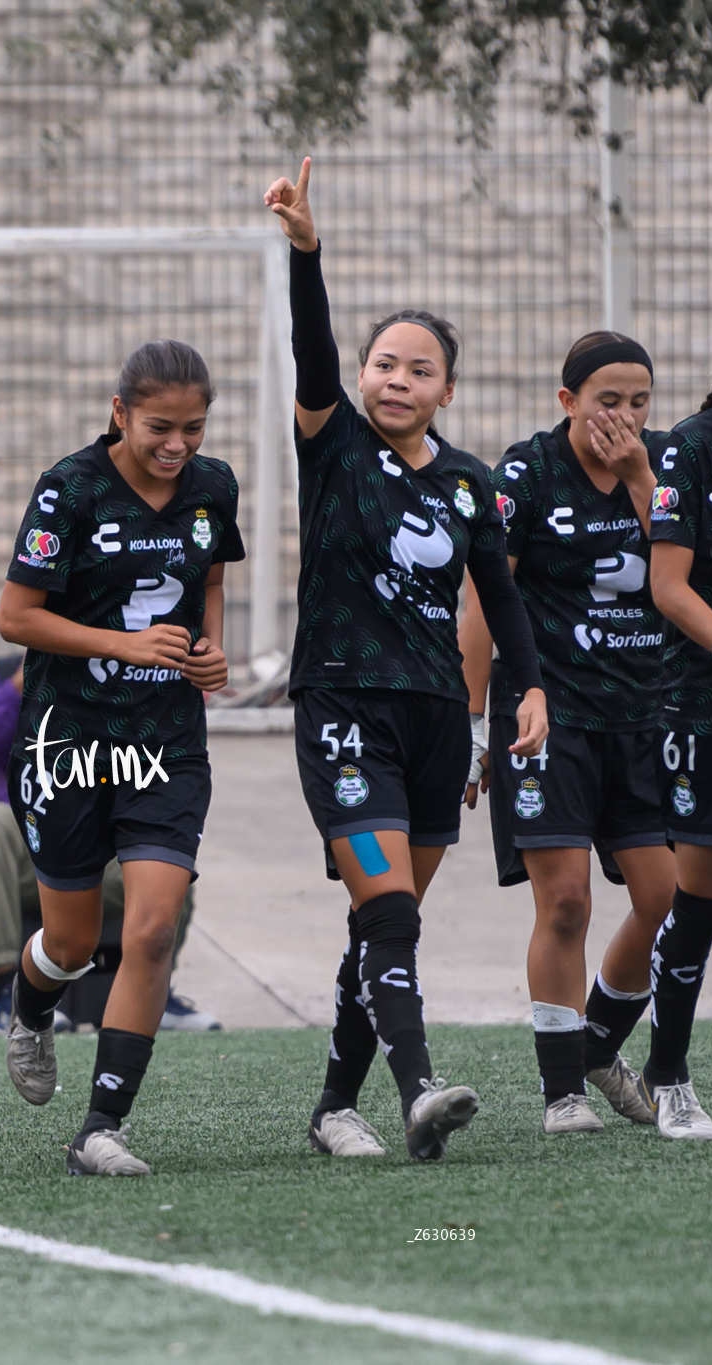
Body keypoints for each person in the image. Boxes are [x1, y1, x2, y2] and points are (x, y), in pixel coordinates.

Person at [265, 159, 547, 1163]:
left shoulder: (472, 486)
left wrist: (525, 696)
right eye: (383, 362)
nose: (393, 379)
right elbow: (310, 356)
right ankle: (417, 1088)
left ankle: (334, 1108)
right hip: (341, 708)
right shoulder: (332, 442)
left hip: (436, 721)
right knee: (384, 904)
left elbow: (501, 598)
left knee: (379, 923)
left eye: (416, 369)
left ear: (444, 390)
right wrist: (307, 254)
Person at [0, 340, 241, 1177]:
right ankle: (30, 1009)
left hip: (165, 743)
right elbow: (16, 617)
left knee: (151, 927)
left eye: (194, 429)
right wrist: (122, 643)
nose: (177, 446)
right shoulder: (71, 488)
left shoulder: (214, 488)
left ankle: (101, 1126)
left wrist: (211, 652)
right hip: (67, 739)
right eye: (160, 428)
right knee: (69, 938)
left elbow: (207, 578)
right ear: (119, 414)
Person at [460, 332, 672, 1134]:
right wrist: (473, 722)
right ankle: (564, 1095)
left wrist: (641, 476)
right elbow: (485, 603)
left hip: (644, 717)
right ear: (568, 401)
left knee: (667, 899)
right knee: (567, 903)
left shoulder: (662, 467)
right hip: (545, 719)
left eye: (638, 402)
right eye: (606, 401)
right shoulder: (525, 474)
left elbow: (684, 571)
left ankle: (594, 1044)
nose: (623, 416)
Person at [0, 656, 215, 1036]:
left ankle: (153, 993)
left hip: (105, 846)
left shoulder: (132, 660)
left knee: (167, 857)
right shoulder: (5, 668)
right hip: (30, 836)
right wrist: (20, 683)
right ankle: (10, 994)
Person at [639, 371, 712, 1139]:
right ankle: (669, 1074)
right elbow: (670, 586)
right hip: (700, 706)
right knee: (700, 896)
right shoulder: (691, 452)